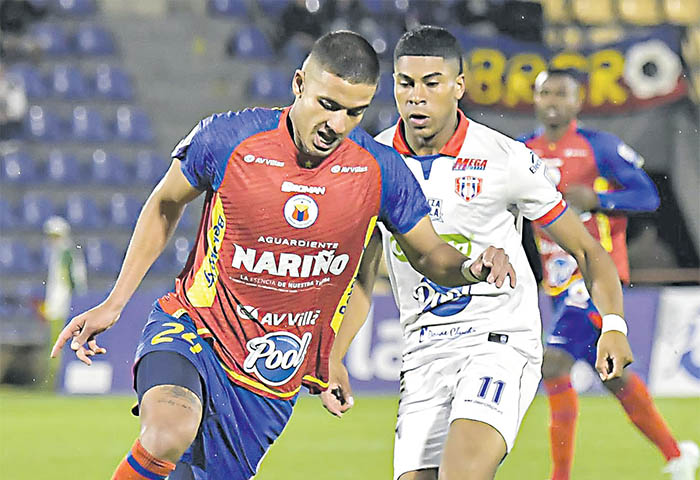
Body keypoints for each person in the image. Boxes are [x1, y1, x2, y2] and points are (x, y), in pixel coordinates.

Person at [51, 31, 515, 480]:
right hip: (195, 330)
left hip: (270, 377)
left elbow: (429, 253)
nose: (337, 125)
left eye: (354, 112)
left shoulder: (379, 171)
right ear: (298, 84)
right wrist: (115, 302)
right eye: (327, 105)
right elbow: (165, 203)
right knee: (168, 431)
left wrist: (470, 267)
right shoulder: (230, 138)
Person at [321, 26, 635, 480]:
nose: (416, 96)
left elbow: (587, 250)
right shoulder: (372, 162)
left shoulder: (504, 158)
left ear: (458, 86)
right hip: (423, 352)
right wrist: (334, 356)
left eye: (432, 83)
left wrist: (614, 325)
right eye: (406, 83)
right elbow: (361, 280)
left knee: (462, 472)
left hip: (498, 341)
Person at [520, 67, 699, 480]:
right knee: (613, 376)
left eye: (561, 94)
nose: (552, 101)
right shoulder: (522, 151)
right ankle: (677, 454)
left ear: (577, 101)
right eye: (545, 93)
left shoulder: (599, 147)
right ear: (535, 98)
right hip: (557, 281)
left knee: (554, 364)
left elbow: (648, 196)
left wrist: (599, 198)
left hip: (596, 277)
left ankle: (560, 477)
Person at [42, 216, 87, 346]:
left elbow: (75, 278)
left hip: (64, 301)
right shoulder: (57, 253)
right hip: (56, 301)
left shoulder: (68, 253)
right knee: (53, 334)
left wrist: (72, 298)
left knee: (61, 335)